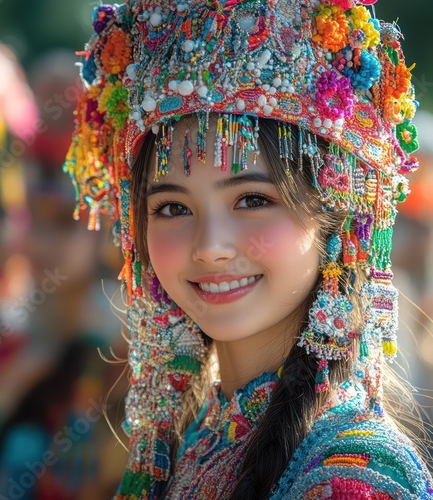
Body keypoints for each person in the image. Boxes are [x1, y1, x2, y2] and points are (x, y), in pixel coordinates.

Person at [63, 0, 433, 497]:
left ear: (337, 215)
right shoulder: (195, 439)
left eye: (252, 199)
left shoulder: (352, 474)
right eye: (172, 208)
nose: (210, 248)